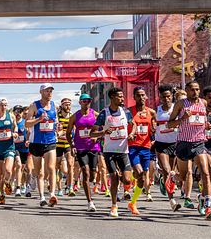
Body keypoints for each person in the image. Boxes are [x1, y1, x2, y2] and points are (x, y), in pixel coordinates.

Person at [168, 81, 211, 220]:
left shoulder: (203, 103)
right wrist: (183, 118)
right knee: (183, 177)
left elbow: (202, 120)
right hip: (184, 143)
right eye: (192, 90)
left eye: (197, 89)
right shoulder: (181, 104)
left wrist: (206, 125)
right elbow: (169, 124)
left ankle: (208, 205)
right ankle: (171, 178)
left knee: (206, 173)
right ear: (187, 90)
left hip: (199, 142)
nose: (195, 92)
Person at [91, 87, 135, 217]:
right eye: (119, 97)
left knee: (127, 180)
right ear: (112, 97)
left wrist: (132, 133)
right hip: (109, 150)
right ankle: (114, 205)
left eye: (122, 96)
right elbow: (92, 133)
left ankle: (125, 190)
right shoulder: (104, 114)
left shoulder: (125, 112)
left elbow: (134, 124)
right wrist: (103, 132)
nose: (122, 99)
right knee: (114, 177)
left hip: (123, 150)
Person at [25, 84, 59, 207]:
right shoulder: (34, 106)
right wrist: (39, 119)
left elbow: (55, 122)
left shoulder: (54, 106)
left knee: (51, 168)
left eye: (51, 91)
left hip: (50, 141)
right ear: (41, 92)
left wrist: (57, 127)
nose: (49, 93)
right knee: (39, 172)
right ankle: (42, 197)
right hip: (36, 142)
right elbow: (27, 124)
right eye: (47, 91)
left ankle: (52, 194)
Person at [66, 93, 99, 211]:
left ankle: (88, 181)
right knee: (85, 171)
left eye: (88, 101)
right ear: (80, 102)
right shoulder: (75, 116)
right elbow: (68, 133)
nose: (86, 103)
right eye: (84, 101)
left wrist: (97, 137)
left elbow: (103, 127)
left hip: (93, 147)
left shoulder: (95, 114)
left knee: (93, 175)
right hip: (80, 148)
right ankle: (90, 202)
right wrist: (72, 145)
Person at [127, 87, 156, 214]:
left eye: (143, 95)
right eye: (138, 95)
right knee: (139, 172)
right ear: (134, 97)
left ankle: (132, 203)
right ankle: (133, 175)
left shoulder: (151, 112)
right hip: (133, 147)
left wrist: (153, 131)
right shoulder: (129, 112)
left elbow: (153, 129)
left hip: (146, 147)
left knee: (143, 178)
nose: (141, 98)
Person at [155, 85, 182, 211]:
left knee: (171, 173)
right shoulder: (156, 111)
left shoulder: (177, 109)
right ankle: (172, 200)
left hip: (175, 143)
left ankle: (163, 181)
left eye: (168, 96)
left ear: (172, 96)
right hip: (161, 144)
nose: (166, 99)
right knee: (167, 170)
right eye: (163, 97)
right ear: (160, 98)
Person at [55, 98, 75, 197]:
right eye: (66, 104)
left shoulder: (72, 116)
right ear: (62, 105)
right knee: (57, 166)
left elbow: (74, 130)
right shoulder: (57, 116)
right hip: (58, 144)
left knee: (70, 164)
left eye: (69, 104)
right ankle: (59, 188)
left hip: (68, 143)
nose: (68, 106)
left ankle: (70, 186)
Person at [12, 105, 30, 197]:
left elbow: (30, 132)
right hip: (15, 148)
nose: (18, 113)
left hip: (25, 148)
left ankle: (25, 186)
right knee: (18, 165)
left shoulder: (25, 122)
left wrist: (28, 140)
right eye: (16, 111)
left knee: (25, 169)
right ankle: (18, 188)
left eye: (20, 111)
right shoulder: (11, 123)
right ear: (13, 112)